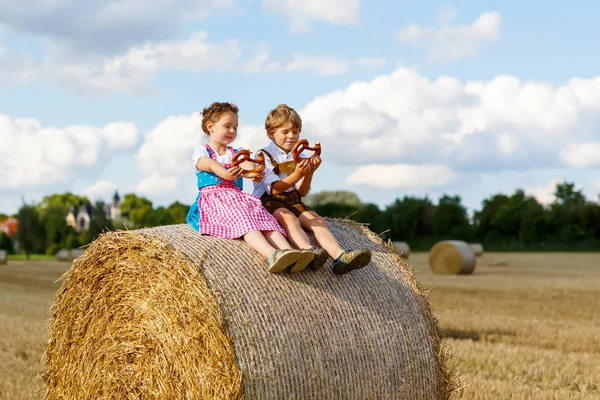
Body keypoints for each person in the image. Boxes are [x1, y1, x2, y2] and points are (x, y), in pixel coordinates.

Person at [186, 102, 314, 273]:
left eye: (235, 127)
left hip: (238, 199)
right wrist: (225, 174)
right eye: (228, 126)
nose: (232, 131)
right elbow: (208, 164)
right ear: (210, 127)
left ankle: (289, 252)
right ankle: (272, 254)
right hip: (216, 200)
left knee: (264, 219)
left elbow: (248, 166)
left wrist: (255, 173)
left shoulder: (236, 152)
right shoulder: (203, 151)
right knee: (245, 223)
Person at [252, 104, 371, 275]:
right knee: (289, 219)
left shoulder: (299, 155)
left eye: (296, 131)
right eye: (285, 132)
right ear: (271, 133)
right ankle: (308, 251)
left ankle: (340, 257)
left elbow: (300, 193)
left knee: (316, 219)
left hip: (293, 199)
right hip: (269, 202)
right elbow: (275, 189)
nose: (291, 136)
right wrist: (299, 172)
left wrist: (309, 173)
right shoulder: (263, 156)